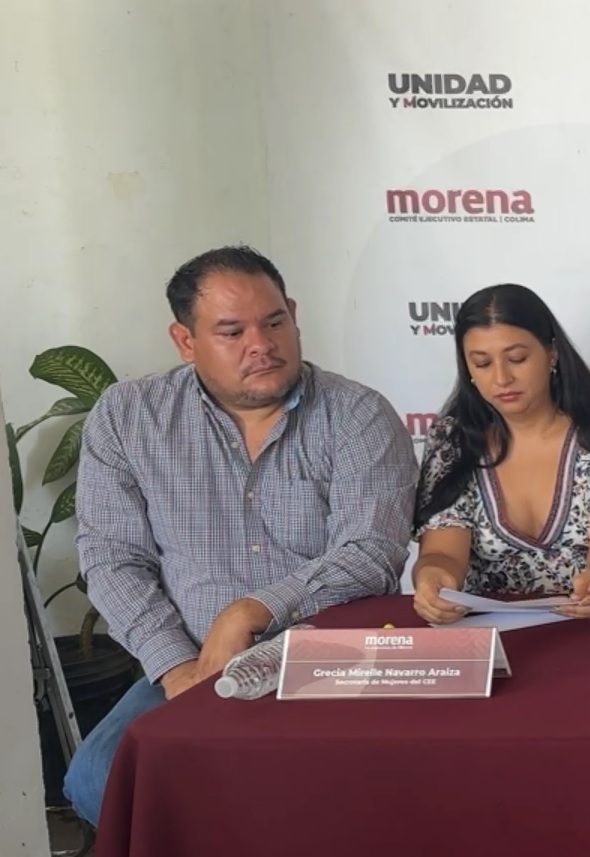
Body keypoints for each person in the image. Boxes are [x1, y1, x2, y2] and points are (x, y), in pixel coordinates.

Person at [69, 246, 416, 825]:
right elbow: (112, 558)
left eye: (274, 322)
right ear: (185, 341)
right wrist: (177, 668)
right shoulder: (129, 416)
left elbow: (371, 552)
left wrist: (251, 610)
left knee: (333, 786)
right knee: (98, 779)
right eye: (232, 332)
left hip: (326, 659)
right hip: (192, 658)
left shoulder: (357, 414)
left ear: (294, 315)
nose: (262, 344)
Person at [411, 285, 590, 623]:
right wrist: (434, 580)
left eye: (517, 359)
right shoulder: (453, 439)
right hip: (493, 631)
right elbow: (442, 553)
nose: (502, 378)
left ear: (552, 354)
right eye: (482, 363)